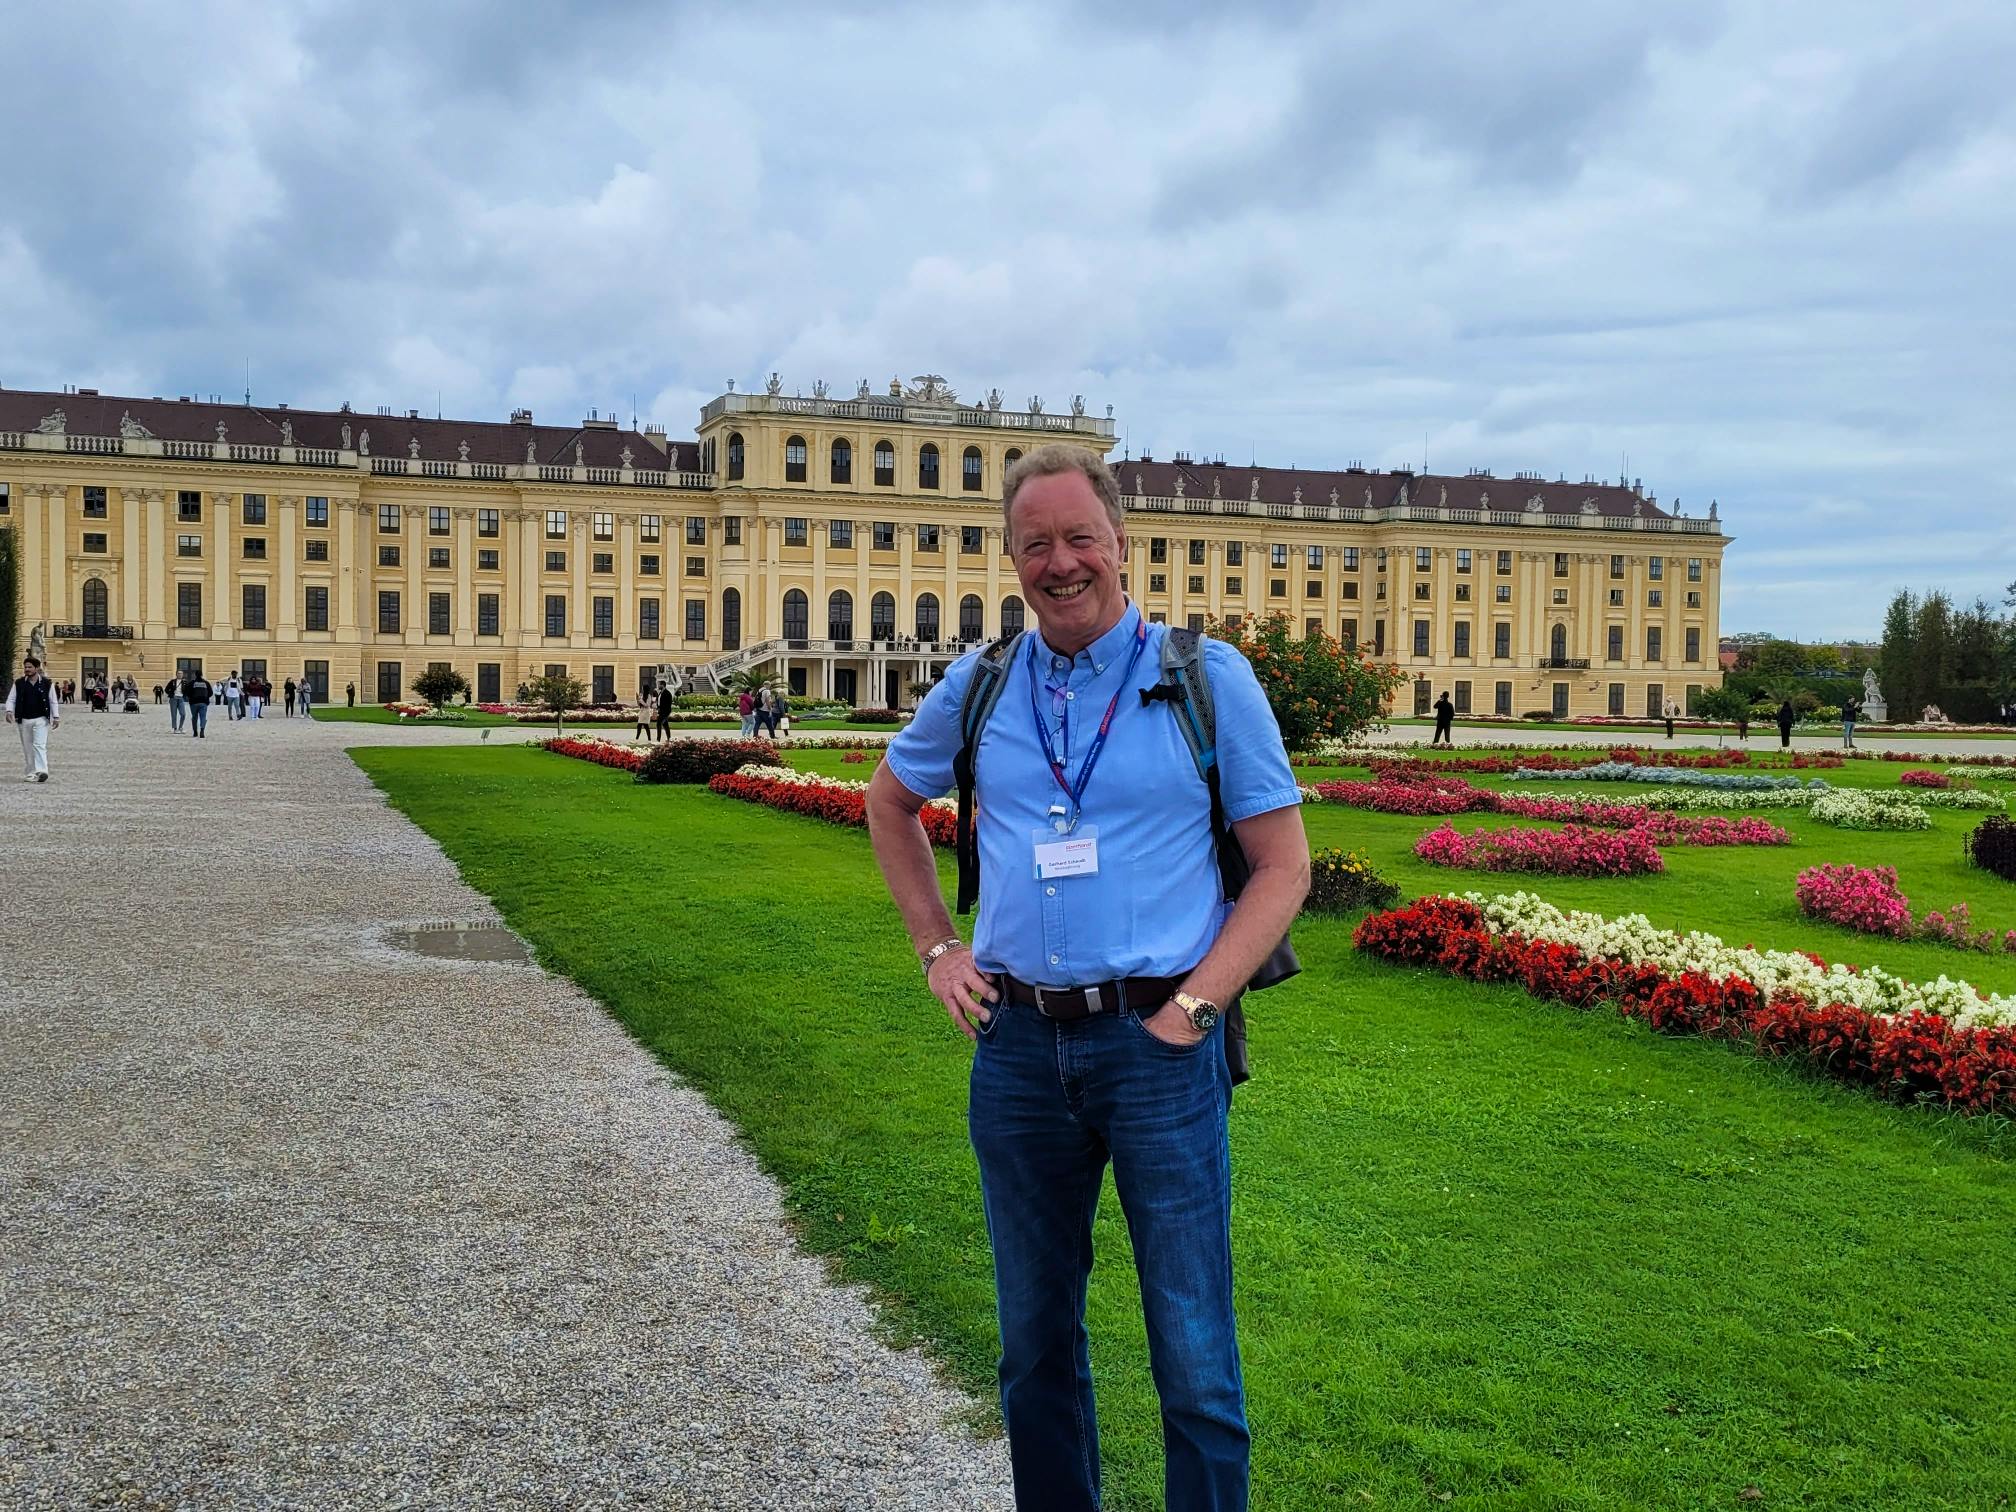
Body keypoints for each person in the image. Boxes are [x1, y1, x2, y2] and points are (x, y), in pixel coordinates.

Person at [866, 445, 1307, 1510]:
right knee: (1033, 1348)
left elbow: (1283, 866)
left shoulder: (1205, 678)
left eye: (1079, 540)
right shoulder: (982, 685)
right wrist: (938, 948)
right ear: (1010, 558)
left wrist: (1198, 1008)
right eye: (1036, 545)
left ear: (1120, 544)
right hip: (1017, 1050)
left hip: (1159, 1044)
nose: (1060, 564)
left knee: (1195, 1356)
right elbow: (889, 803)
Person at [5, 654, 61, 782]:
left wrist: (56, 717)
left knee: (39, 745)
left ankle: (42, 771)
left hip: (41, 719)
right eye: (25, 667)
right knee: (28, 746)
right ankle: (31, 772)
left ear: (36, 668)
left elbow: (53, 701)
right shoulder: (19, 683)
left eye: (29, 667)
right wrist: (9, 711)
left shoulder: (47, 683)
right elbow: (11, 698)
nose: (27, 669)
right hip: (24, 719)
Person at [185, 670, 213, 738]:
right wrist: (206, 698)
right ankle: (202, 730)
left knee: (194, 717)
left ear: (195, 675)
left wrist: (190, 698)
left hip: (194, 703)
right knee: (203, 717)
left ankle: (195, 732)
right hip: (203, 702)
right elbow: (211, 693)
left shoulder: (192, 683)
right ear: (202, 674)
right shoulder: (206, 683)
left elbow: (187, 692)